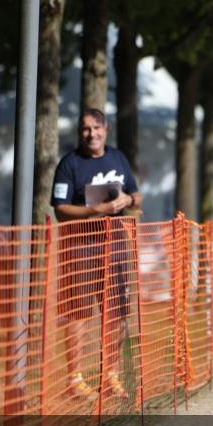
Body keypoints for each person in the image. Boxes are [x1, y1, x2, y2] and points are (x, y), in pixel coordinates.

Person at [51, 108, 142, 401]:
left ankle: (110, 376)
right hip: (79, 248)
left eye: (96, 128)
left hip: (115, 246)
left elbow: (136, 195)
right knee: (78, 313)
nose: (91, 134)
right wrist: (95, 210)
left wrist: (129, 199)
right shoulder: (69, 164)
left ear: (107, 129)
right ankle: (74, 378)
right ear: (80, 132)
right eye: (86, 129)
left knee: (116, 313)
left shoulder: (118, 158)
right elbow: (61, 209)